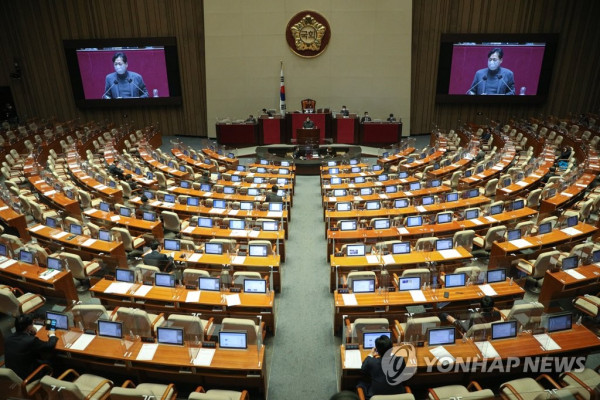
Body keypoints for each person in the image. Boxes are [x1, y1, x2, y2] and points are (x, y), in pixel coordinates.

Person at [5, 314, 58, 380]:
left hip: (13, 374)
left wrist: (30, 333)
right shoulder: (31, 340)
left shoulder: (8, 339)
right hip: (28, 376)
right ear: (29, 327)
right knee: (53, 359)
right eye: (32, 324)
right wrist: (52, 334)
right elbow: (50, 345)